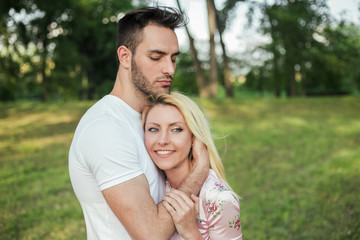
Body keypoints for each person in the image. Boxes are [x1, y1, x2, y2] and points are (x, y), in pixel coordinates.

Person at [68, 6, 209, 240]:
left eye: (173, 58)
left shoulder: (153, 118)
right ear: (125, 56)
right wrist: (199, 172)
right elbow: (150, 234)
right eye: (156, 57)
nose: (169, 69)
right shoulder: (105, 128)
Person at [142, 92, 243, 240]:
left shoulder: (219, 199)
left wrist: (190, 232)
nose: (162, 140)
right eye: (153, 129)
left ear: (194, 138)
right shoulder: (150, 185)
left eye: (176, 129)